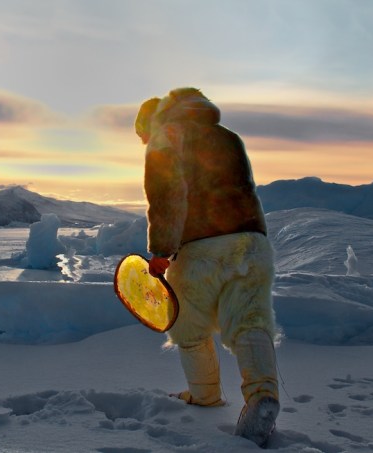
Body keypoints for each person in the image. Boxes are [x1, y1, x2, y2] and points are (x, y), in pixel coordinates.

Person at [135, 87, 279, 447]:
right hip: (253, 243)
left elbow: (167, 194)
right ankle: (262, 397)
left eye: (141, 136)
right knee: (250, 322)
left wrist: (162, 251)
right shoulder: (229, 137)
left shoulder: (166, 135)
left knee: (189, 326)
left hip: (202, 247)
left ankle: (205, 396)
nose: (143, 143)